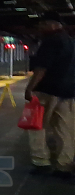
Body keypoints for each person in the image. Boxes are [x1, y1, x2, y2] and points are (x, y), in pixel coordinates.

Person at [24, 12, 75, 178]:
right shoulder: (70, 41)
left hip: (46, 92)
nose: (40, 28)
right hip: (68, 93)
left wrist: (30, 88)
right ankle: (64, 165)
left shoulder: (50, 42)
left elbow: (41, 69)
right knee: (64, 129)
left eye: (42, 25)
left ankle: (41, 162)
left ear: (52, 24)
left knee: (36, 126)